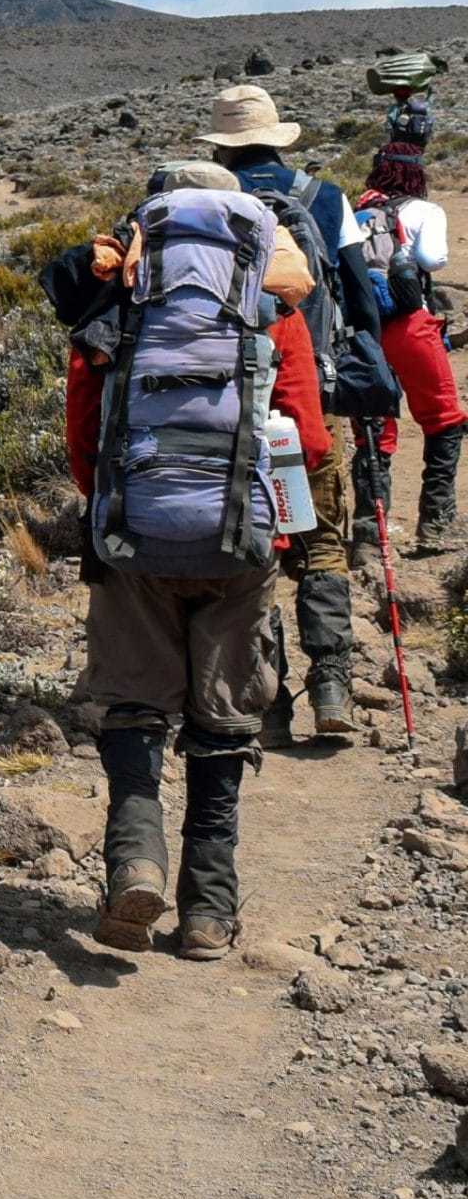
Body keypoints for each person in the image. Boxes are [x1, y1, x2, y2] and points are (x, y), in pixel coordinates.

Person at [62, 162, 288, 959]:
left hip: (133, 541)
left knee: (133, 709)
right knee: (223, 722)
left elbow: (83, 436)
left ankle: (135, 864)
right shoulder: (270, 309)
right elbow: (309, 441)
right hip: (238, 548)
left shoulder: (117, 312)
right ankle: (208, 913)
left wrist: (114, 511)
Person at [192, 83, 365, 741]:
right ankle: (331, 687)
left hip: (226, 408)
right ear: (279, 136)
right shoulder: (325, 199)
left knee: (256, 544)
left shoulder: (205, 211)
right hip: (309, 397)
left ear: (221, 145)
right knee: (322, 543)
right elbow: (357, 295)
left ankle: (271, 704)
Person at [353, 136, 466, 559]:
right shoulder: (425, 210)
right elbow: (434, 258)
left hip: (365, 331)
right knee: (442, 420)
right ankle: (434, 527)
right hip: (411, 324)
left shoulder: (358, 210)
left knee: (374, 432)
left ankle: (368, 536)